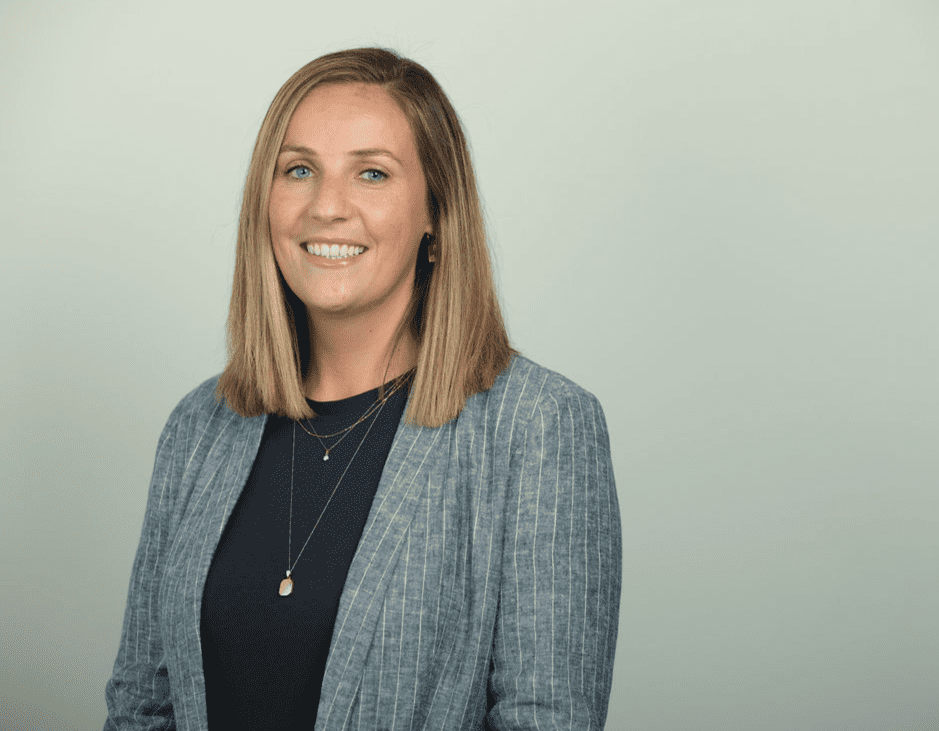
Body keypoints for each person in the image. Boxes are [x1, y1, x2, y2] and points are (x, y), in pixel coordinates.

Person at [103, 47, 621, 731]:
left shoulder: (539, 427)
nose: (328, 206)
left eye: (371, 173)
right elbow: (142, 707)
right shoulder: (201, 426)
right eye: (299, 170)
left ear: (437, 210)